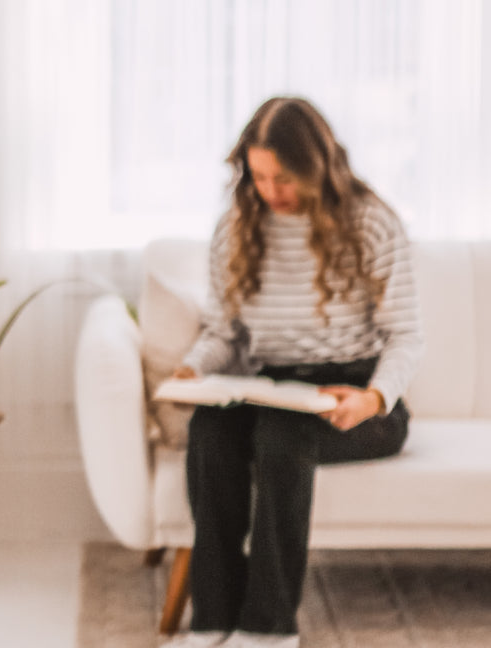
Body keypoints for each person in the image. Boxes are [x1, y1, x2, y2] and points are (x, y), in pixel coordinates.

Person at [163, 96, 424, 648]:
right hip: (273, 389)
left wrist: (372, 399)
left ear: (318, 167)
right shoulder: (236, 229)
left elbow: (405, 336)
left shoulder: (372, 222)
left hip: (357, 395)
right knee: (210, 433)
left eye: (283, 178)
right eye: (258, 177)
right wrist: (193, 369)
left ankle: (268, 628)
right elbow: (225, 335)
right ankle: (213, 617)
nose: (270, 191)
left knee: (282, 439)